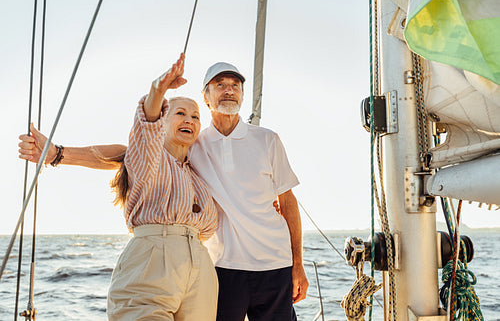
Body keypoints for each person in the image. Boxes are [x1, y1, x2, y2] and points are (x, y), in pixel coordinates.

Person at [19, 60, 308, 321]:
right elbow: (128, 150)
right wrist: (56, 153)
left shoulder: (243, 146)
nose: (228, 91)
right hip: (193, 267)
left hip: (240, 269)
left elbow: (286, 201)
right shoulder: (173, 149)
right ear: (206, 98)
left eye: (235, 86)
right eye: (219, 85)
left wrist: (296, 261)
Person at [20, 54, 219, 320]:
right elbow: (144, 129)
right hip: (153, 261)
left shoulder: (200, 173)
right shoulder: (147, 156)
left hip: (200, 270)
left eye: (195, 116)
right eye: (180, 113)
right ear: (164, 120)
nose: (190, 120)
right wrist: (157, 90)